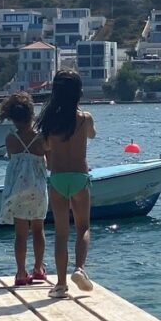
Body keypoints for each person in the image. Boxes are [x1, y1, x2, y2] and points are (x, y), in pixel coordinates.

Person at [38, 70, 96, 299]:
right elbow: (92, 134)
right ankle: (79, 269)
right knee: (83, 227)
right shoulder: (85, 118)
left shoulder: (50, 121)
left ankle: (61, 284)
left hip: (58, 179)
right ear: (79, 93)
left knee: (61, 232)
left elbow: (46, 148)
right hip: (80, 177)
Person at [0, 92, 49, 287]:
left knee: (20, 233)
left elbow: (13, 159)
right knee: (38, 228)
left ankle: (20, 272)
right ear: (31, 114)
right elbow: (48, 163)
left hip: (17, 188)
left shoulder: (10, 139)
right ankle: (38, 268)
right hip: (37, 187)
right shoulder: (40, 138)